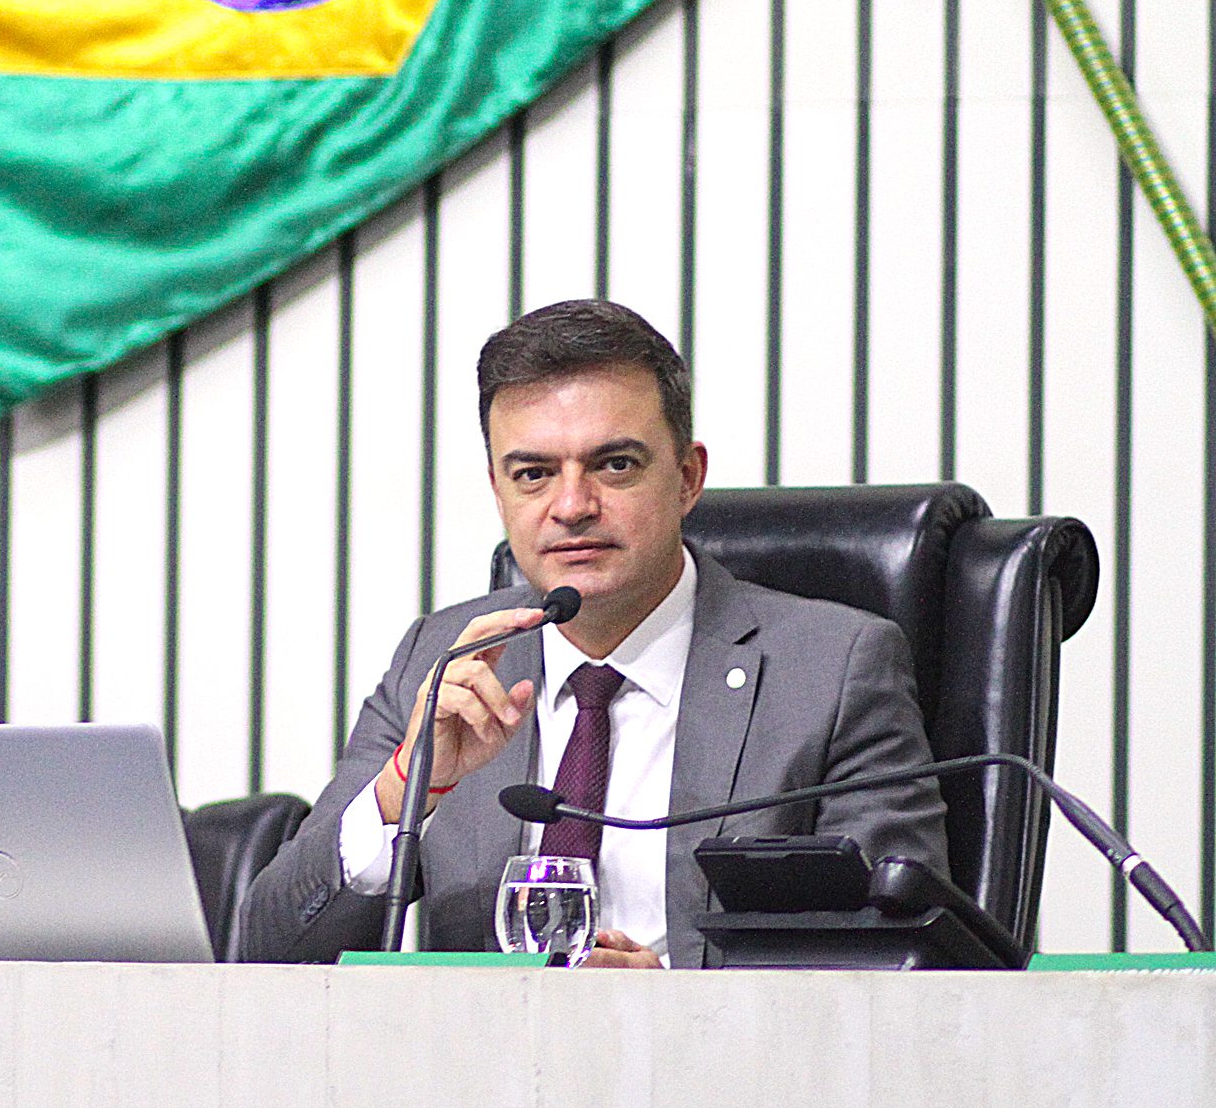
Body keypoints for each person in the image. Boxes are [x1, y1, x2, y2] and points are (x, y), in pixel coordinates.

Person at [240, 299, 945, 967]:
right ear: (498, 491)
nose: (572, 505)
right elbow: (269, 947)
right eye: (533, 474)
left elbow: (893, 955)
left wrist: (670, 999)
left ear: (687, 477)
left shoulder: (832, 670)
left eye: (614, 465)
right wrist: (407, 788)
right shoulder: (445, 659)